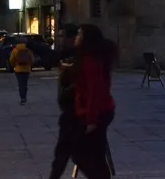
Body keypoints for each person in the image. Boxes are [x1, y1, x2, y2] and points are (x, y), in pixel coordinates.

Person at [73, 24, 117, 179]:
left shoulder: (91, 60)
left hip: (97, 112)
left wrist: (91, 120)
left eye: (79, 34)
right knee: (93, 153)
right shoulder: (88, 58)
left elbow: (94, 91)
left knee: (89, 154)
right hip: (98, 110)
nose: (76, 37)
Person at [48, 25, 81, 179]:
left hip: (77, 112)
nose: (59, 39)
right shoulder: (66, 55)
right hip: (70, 111)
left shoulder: (80, 57)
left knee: (65, 151)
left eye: (62, 36)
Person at [10, 39, 34, 105]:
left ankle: (22, 98)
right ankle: (24, 97)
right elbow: (32, 60)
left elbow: (11, 60)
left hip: (18, 70)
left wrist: (14, 65)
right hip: (26, 69)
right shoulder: (28, 50)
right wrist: (30, 65)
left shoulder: (15, 50)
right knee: (25, 84)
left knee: (20, 84)